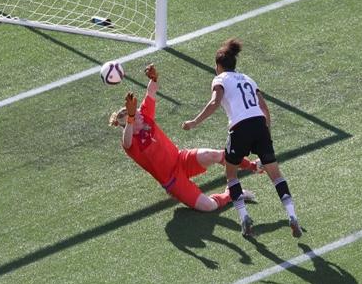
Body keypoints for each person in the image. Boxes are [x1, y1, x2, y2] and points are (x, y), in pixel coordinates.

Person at [182, 38, 302, 238]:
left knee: (231, 174)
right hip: (259, 125)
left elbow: (214, 103)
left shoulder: (220, 79)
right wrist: (266, 139)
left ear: (218, 66)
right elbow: (264, 108)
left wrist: (194, 122)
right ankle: (292, 214)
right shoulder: (248, 79)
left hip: (239, 128)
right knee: (276, 175)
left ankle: (244, 217)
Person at [109, 64, 258, 212]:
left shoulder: (145, 116)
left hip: (181, 159)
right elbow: (126, 141)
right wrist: (130, 117)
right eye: (136, 115)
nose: (140, 114)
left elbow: (151, 92)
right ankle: (231, 194)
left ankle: (252, 166)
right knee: (209, 206)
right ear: (131, 122)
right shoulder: (130, 143)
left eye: (137, 112)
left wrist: (154, 79)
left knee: (214, 155)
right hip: (173, 181)